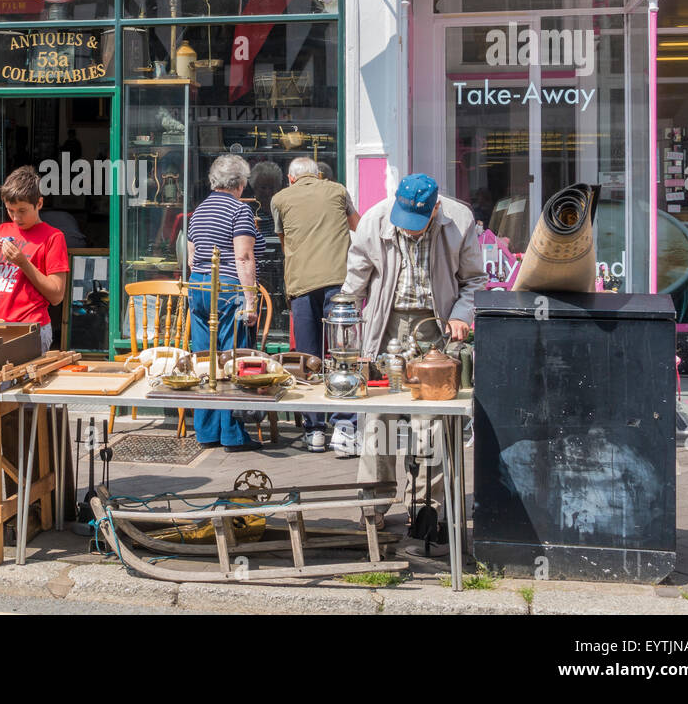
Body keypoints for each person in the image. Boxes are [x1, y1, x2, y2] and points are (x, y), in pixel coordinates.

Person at [341, 173, 485, 553]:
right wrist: (349, 332)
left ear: (435, 209)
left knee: (431, 425)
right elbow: (354, 283)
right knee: (378, 420)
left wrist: (461, 315)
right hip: (388, 325)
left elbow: (475, 282)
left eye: (419, 225)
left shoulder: (460, 220)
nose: (413, 232)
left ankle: (426, 509)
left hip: (435, 328)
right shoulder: (374, 220)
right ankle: (372, 506)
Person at [0, 166, 70, 469]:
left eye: (22, 210)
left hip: (29, 330)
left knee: (9, 410)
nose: (16, 218)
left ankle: (18, 483)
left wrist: (23, 262)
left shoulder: (53, 238)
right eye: (11, 211)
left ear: (39, 203)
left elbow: (56, 294)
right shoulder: (2, 231)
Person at [271, 156, 360, 454]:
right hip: (338, 281)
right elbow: (357, 227)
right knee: (341, 354)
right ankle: (345, 426)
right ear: (318, 175)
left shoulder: (280, 199)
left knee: (308, 360)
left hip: (302, 284)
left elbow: (284, 244)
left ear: (290, 178)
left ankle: (315, 430)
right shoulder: (338, 190)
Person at [186, 155, 265, 452]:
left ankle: (206, 431)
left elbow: (192, 257)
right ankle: (233, 434)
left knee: (205, 358)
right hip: (228, 286)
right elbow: (243, 257)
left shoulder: (200, 210)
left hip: (199, 285)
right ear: (241, 183)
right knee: (232, 358)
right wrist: (250, 300)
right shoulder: (240, 210)